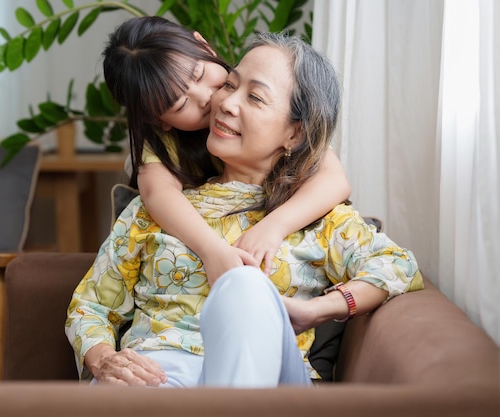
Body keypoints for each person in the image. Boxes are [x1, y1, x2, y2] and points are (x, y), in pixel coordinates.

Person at [65, 32, 424, 388]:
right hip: (160, 374)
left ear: (295, 134)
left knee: (244, 285)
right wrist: (105, 360)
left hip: (266, 380)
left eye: (254, 96)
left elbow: (399, 267)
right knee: (117, 391)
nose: (222, 103)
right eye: (231, 85)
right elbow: (90, 305)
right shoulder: (153, 210)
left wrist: (317, 311)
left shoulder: (318, 215)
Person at [102, 16, 351, 281]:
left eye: (199, 74)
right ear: (158, 120)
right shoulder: (163, 148)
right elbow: (157, 194)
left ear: (204, 45)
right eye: (181, 104)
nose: (207, 98)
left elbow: (334, 180)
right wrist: (211, 250)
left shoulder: (267, 106)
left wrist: (273, 227)